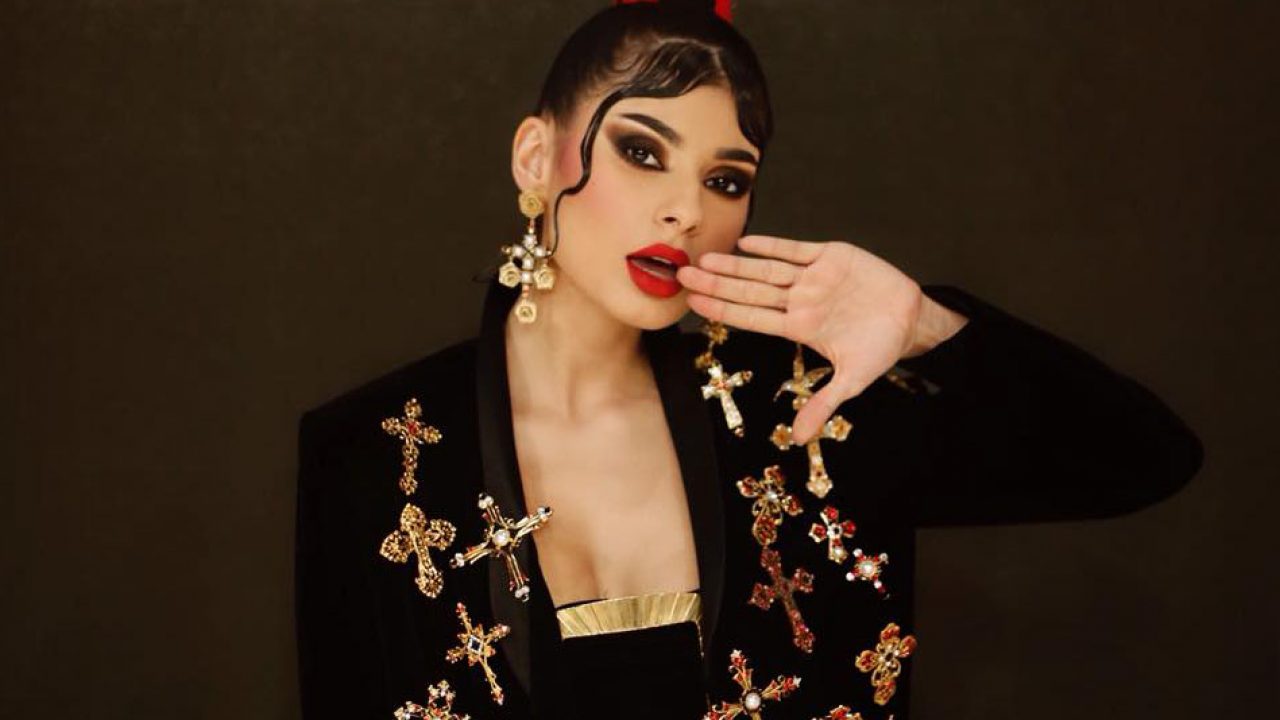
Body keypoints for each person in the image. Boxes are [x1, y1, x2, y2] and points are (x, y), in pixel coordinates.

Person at [293, 2, 1203, 718]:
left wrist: (926, 324)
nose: (686, 211)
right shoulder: (371, 454)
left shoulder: (796, 413)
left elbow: (1145, 461)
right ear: (537, 157)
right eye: (642, 151)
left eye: (725, 180)